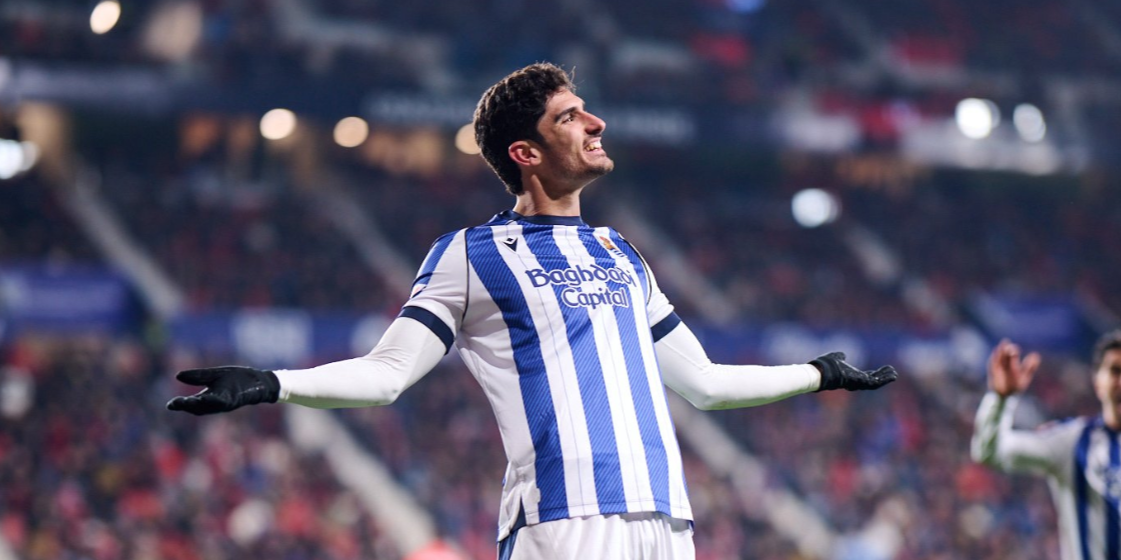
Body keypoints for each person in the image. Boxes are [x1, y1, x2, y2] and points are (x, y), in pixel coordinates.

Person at [168, 62, 898, 560]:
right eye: (571, 117)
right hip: (561, 523)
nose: (596, 122)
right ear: (526, 151)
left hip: (666, 522)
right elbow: (388, 374)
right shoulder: (470, 255)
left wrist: (818, 374)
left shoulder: (620, 252)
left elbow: (704, 384)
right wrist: (272, 383)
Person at [972, 331, 1121, 560]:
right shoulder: (1071, 441)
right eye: (1115, 371)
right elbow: (990, 452)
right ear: (1097, 381)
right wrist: (1001, 399)